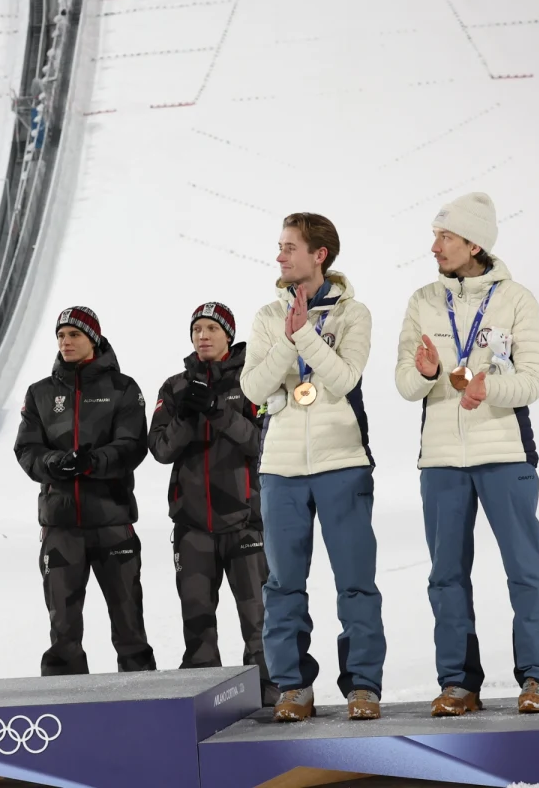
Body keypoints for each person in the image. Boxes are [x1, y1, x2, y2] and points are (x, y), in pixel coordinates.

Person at [395, 193, 539, 716]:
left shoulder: (516, 299)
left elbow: (532, 381)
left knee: (524, 569)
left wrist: (490, 387)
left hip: (505, 454)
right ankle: (458, 684)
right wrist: (422, 374)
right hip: (440, 460)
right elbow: (403, 383)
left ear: (474, 243)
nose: (434, 246)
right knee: (445, 575)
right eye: (435, 235)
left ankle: (537, 680)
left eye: (445, 237)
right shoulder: (422, 300)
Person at [239, 212, 386, 722]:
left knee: (355, 580)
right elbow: (254, 389)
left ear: (318, 254)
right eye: (279, 247)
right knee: (282, 584)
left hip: (342, 460)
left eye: (289, 247)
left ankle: (363, 686)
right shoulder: (265, 316)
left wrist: (305, 337)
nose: (279, 255)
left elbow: (344, 378)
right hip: (280, 467)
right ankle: (293, 686)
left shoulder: (354, 313)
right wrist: (288, 336)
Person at [14, 307, 156, 676]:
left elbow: (132, 445)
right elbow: (27, 449)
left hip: (113, 522)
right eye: (60, 335)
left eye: (74, 334)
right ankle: (65, 709)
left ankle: (145, 703)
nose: (65, 341)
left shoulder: (123, 388)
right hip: (60, 528)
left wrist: (92, 462)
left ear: (92, 338)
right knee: (63, 630)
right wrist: (55, 464)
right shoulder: (40, 393)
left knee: (129, 625)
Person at [149, 303, 277, 706]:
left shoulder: (253, 380)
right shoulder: (174, 387)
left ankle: (268, 687)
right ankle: (204, 697)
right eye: (196, 329)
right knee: (197, 618)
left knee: (257, 617)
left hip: (244, 522)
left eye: (211, 329)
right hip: (192, 526)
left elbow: (262, 443)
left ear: (229, 335)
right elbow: (160, 449)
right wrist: (188, 414)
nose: (202, 336)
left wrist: (217, 410)